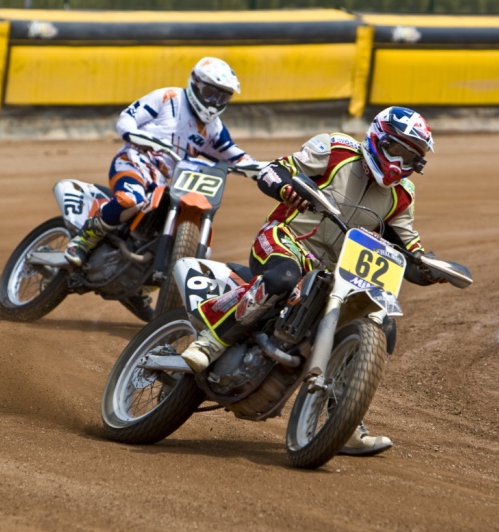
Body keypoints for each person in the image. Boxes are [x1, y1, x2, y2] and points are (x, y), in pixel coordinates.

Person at [181, 106, 443, 456]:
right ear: (379, 138)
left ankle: (344, 416)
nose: (400, 162)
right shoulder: (335, 151)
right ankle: (210, 341)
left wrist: (428, 268)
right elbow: (273, 171)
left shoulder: (402, 195)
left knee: (382, 327)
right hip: (288, 241)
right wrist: (287, 188)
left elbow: (409, 248)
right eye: (397, 149)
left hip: (339, 272)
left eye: (411, 157)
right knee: (282, 278)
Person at [64, 57, 254, 320]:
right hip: (135, 164)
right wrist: (133, 133)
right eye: (211, 93)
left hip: (170, 184)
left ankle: (141, 285)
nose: (215, 102)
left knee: (183, 234)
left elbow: (233, 154)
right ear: (196, 85)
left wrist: (261, 169)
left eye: (223, 98)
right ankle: (85, 239)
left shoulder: (213, 128)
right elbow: (128, 118)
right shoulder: (168, 98)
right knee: (132, 199)